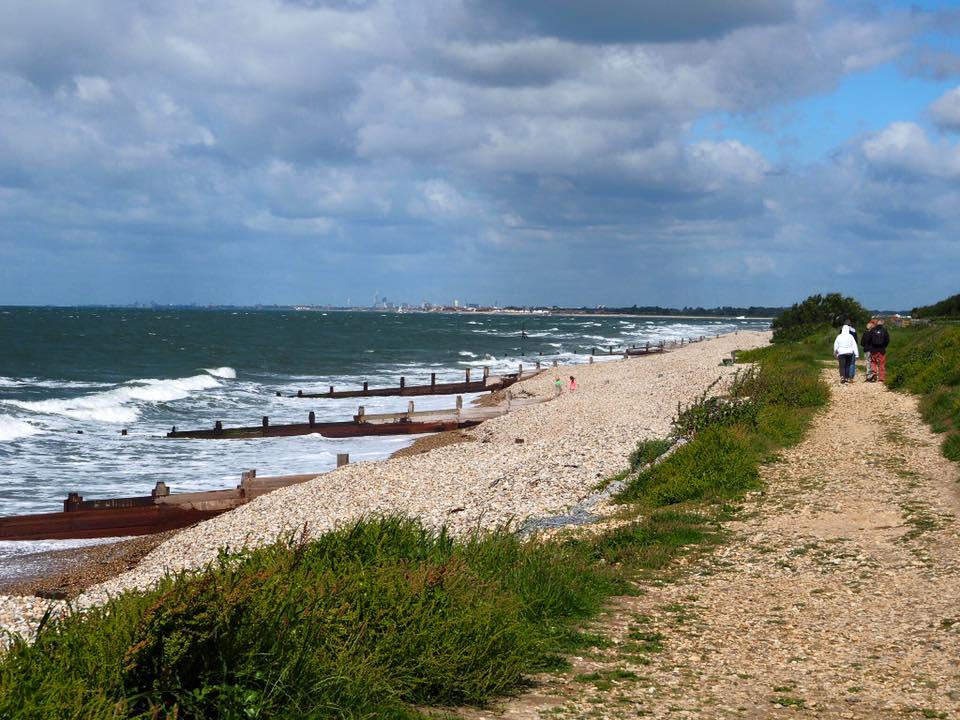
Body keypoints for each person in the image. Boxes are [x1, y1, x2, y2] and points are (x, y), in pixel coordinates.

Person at [867, 318, 890, 382]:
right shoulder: (884, 330)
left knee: (873, 362)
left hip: (873, 349)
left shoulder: (872, 330)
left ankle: (874, 373)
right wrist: (884, 346)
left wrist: (870, 346)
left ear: (877, 323)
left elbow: (869, 339)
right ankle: (881, 378)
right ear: (883, 323)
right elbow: (887, 340)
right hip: (882, 349)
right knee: (882, 363)